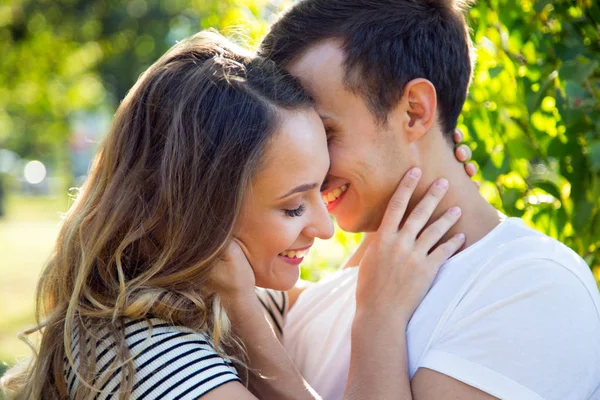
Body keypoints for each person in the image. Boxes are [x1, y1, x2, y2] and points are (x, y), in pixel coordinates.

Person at [1, 31, 472, 400]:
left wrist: (429, 183)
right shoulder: (152, 361)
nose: (325, 228)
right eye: (292, 205)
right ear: (201, 213)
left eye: (319, 189)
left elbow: (330, 296)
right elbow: (365, 299)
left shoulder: (198, 307)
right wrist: (378, 322)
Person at [257, 0, 600, 399]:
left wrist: (378, 323)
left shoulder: (533, 285)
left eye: (325, 134)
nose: (304, 168)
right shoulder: (373, 271)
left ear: (415, 112)